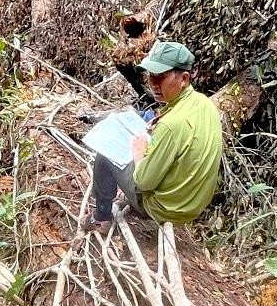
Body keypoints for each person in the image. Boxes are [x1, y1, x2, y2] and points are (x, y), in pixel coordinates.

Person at [82, 41, 223, 231]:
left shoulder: (171, 125)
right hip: (191, 206)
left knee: (105, 153)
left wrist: (138, 154)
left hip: (165, 210)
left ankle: (101, 217)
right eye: (151, 76)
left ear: (184, 78)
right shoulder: (204, 103)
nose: (153, 84)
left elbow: (144, 182)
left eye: (161, 77)